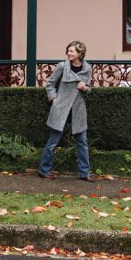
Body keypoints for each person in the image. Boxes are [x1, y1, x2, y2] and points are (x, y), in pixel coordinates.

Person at [38, 40, 95, 182]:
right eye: (68, 51)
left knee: (82, 142)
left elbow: (89, 89)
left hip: (78, 109)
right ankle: (44, 171)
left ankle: (84, 173)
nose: (68, 53)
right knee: (53, 141)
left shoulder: (87, 68)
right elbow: (50, 84)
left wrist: (85, 88)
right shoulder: (62, 66)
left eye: (72, 51)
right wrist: (54, 99)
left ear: (80, 53)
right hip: (61, 108)